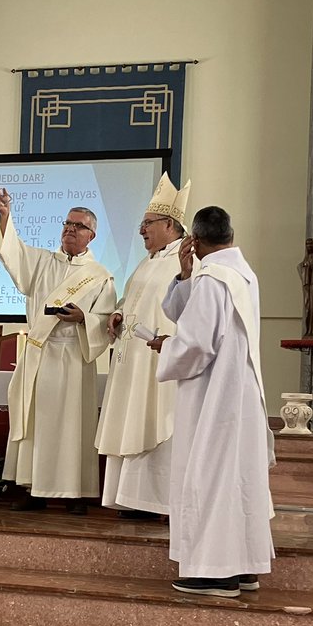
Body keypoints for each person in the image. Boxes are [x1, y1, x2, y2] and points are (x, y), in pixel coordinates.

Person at [149, 206, 274, 597]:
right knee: (236, 479)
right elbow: (197, 316)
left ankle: (213, 572)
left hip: (213, 397)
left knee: (209, 476)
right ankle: (243, 567)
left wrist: (168, 347)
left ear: (196, 241)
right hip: (239, 394)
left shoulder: (213, 279)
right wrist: (187, 275)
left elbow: (197, 342)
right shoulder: (242, 273)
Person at [0, 188, 116, 514]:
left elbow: (106, 319)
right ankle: (35, 491)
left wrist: (82, 318)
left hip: (74, 356)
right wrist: (5, 215)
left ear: (92, 235)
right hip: (40, 356)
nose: (70, 230)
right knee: (38, 425)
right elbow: (12, 252)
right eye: (67, 224)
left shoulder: (100, 277)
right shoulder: (43, 262)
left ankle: (74, 495)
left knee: (72, 428)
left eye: (78, 226)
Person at [97, 174, 191, 520]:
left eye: (147, 223)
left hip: (157, 363)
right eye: (141, 223)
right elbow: (133, 301)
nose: (141, 230)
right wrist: (118, 314)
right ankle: (130, 498)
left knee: (153, 422)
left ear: (169, 224)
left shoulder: (183, 263)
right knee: (129, 421)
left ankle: (154, 501)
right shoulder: (146, 262)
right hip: (130, 361)